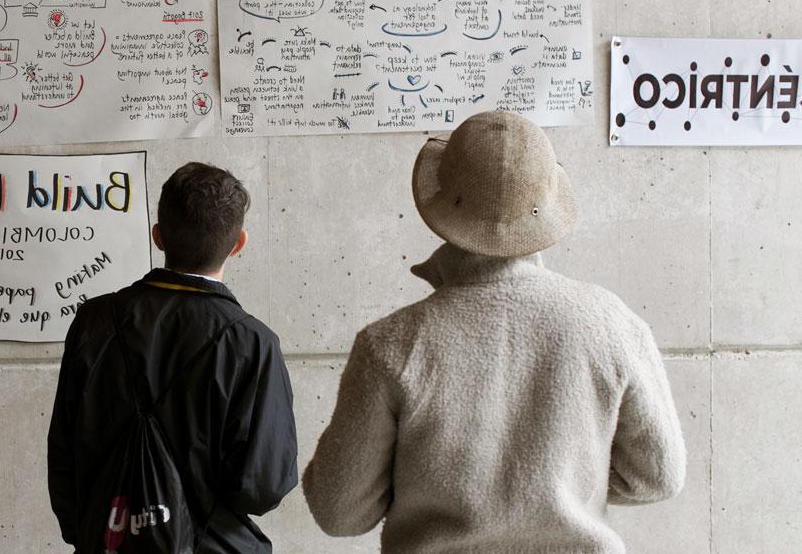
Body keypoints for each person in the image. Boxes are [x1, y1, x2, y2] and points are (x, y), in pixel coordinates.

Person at [303, 110, 686, 553]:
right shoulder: (611, 324)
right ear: (548, 201)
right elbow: (659, 476)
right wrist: (565, 487)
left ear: (440, 199)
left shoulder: (392, 344)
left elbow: (340, 513)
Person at [48, 161, 298, 553]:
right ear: (239, 243)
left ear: (158, 237)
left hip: (109, 540)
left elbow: (64, 459)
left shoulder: (93, 323)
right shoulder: (252, 342)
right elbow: (262, 487)